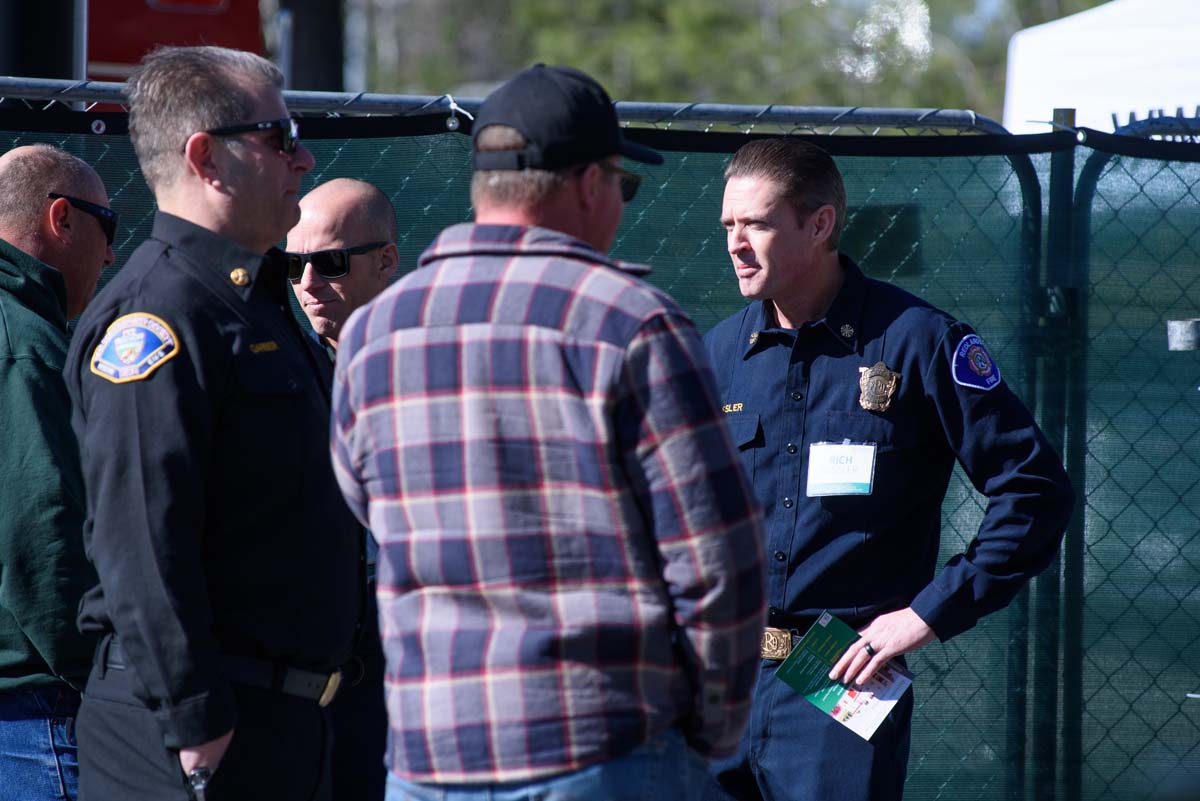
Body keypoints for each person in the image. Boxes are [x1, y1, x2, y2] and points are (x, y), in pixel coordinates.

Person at [330, 64, 766, 801]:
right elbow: (717, 559)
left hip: (430, 756)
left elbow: (365, 510)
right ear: (590, 183)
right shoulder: (633, 323)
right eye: (623, 186)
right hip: (603, 747)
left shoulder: (373, 333)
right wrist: (711, 732)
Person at [702, 137, 1075, 801]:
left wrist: (927, 612)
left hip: (833, 671)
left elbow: (1034, 490)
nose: (735, 242)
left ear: (819, 225)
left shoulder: (919, 341)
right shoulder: (719, 353)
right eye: (728, 225)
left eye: (756, 223)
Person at [63, 45, 363, 801]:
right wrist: (197, 723)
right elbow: (139, 536)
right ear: (206, 158)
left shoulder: (251, 300)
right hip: (195, 733)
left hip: (283, 723)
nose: (305, 157)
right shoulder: (159, 314)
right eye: (280, 137)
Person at [0, 143, 115, 801]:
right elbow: (40, 523)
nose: (110, 255)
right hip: (32, 706)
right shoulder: (26, 343)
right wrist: (88, 677)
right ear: (62, 218)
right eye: (110, 227)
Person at [286, 177, 399, 801]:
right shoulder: (276, 367)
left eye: (327, 263)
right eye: (292, 263)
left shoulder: (435, 368)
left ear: (385, 259)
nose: (306, 283)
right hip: (305, 679)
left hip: (406, 672)